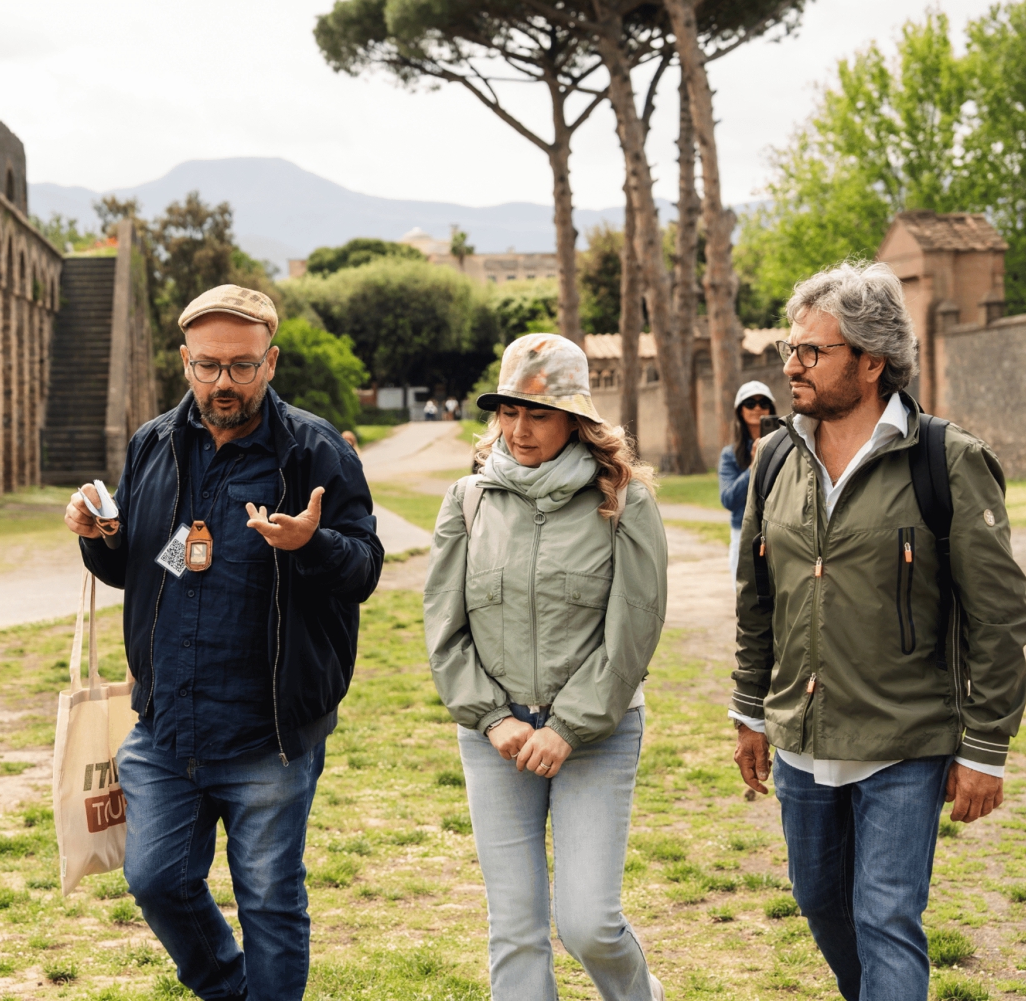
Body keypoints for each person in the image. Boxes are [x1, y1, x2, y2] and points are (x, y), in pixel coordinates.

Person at [65, 284, 383, 1001]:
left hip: (267, 729)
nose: (224, 383)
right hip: (167, 723)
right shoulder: (154, 445)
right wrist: (100, 536)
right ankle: (234, 989)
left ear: (271, 362)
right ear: (185, 362)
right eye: (208, 366)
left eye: (241, 366)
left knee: (269, 899)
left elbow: (363, 568)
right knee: (155, 878)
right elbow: (142, 566)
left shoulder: (315, 451)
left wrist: (311, 543)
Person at [732, 261, 1026, 1001]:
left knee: (887, 915)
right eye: (790, 349)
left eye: (811, 352)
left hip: (907, 741)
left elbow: (1000, 614)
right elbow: (755, 596)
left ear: (871, 362)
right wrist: (748, 710)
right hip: (801, 741)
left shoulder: (946, 460)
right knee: (821, 903)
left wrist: (985, 747)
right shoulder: (775, 458)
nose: (791, 367)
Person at [424, 333, 668, 1001]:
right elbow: (445, 629)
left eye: (539, 413)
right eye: (509, 411)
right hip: (495, 738)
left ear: (576, 419)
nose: (519, 428)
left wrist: (568, 725)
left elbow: (633, 630)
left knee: (587, 923)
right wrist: (492, 718)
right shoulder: (468, 500)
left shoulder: (623, 500)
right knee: (516, 930)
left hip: (596, 733)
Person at [718, 381, 777, 578]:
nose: (758, 408)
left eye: (764, 403)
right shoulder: (730, 455)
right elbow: (728, 499)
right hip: (744, 533)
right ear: (740, 411)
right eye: (750, 403)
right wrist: (754, 465)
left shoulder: (786, 447)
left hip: (779, 532)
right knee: (745, 598)